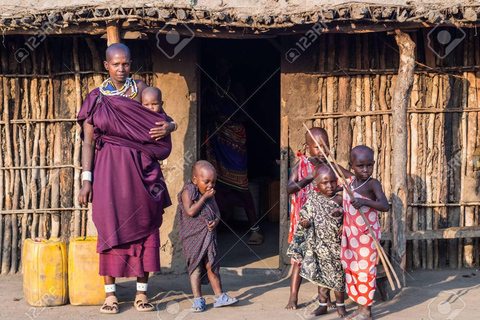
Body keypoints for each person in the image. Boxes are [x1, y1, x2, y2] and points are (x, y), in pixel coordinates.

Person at [77, 43, 176, 314]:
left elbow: (161, 118)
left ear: (131, 64)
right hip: (108, 170)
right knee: (109, 226)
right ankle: (110, 295)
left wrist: (171, 125)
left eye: (126, 63)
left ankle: (141, 293)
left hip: (141, 171)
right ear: (106, 66)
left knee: (145, 225)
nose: (121, 69)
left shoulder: (142, 89)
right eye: (116, 64)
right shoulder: (96, 98)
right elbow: (87, 141)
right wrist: (87, 179)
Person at [285, 127, 351, 310]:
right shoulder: (302, 165)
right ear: (308, 148)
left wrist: (338, 189)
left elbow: (351, 179)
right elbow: (290, 188)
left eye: (326, 146)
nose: (322, 151)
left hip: (326, 223)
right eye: (317, 147)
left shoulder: (331, 167)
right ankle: (293, 297)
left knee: (324, 259)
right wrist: (308, 178)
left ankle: (325, 300)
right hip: (305, 219)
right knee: (299, 258)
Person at [203, 58, 263, 245]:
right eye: (218, 65)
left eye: (223, 65)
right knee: (215, 184)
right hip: (215, 139)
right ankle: (218, 225)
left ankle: (255, 229)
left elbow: (244, 114)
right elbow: (204, 111)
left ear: (230, 66)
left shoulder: (236, 87)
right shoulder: (209, 88)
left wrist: (226, 117)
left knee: (242, 185)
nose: (220, 68)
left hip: (234, 140)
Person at [177, 160, 238, 312]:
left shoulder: (210, 193)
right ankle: (198, 300)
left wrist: (216, 222)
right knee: (196, 268)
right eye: (206, 181)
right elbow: (190, 211)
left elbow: (217, 212)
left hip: (208, 236)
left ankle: (219, 296)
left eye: (214, 182)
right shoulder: (188, 191)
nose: (211, 185)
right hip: (192, 238)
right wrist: (203, 198)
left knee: (212, 265)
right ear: (194, 180)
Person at [287, 165, 347, 318]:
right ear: (316, 185)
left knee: (338, 279)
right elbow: (305, 217)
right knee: (321, 279)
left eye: (333, 182)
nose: (330, 186)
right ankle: (322, 305)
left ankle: (341, 307)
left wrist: (345, 224)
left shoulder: (341, 200)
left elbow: (351, 218)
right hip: (319, 248)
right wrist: (305, 223)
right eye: (325, 183)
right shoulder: (313, 200)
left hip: (336, 248)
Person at [342, 146, 389, 320]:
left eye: (369, 165)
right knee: (354, 271)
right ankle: (360, 309)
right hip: (351, 236)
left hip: (367, 237)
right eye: (360, 166)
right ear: (352, 165)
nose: (365, 170)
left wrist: (363, 202)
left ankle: (367, 312)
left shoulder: (372, 183)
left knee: (366, 272)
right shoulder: (350, 183)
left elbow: (385, 206)